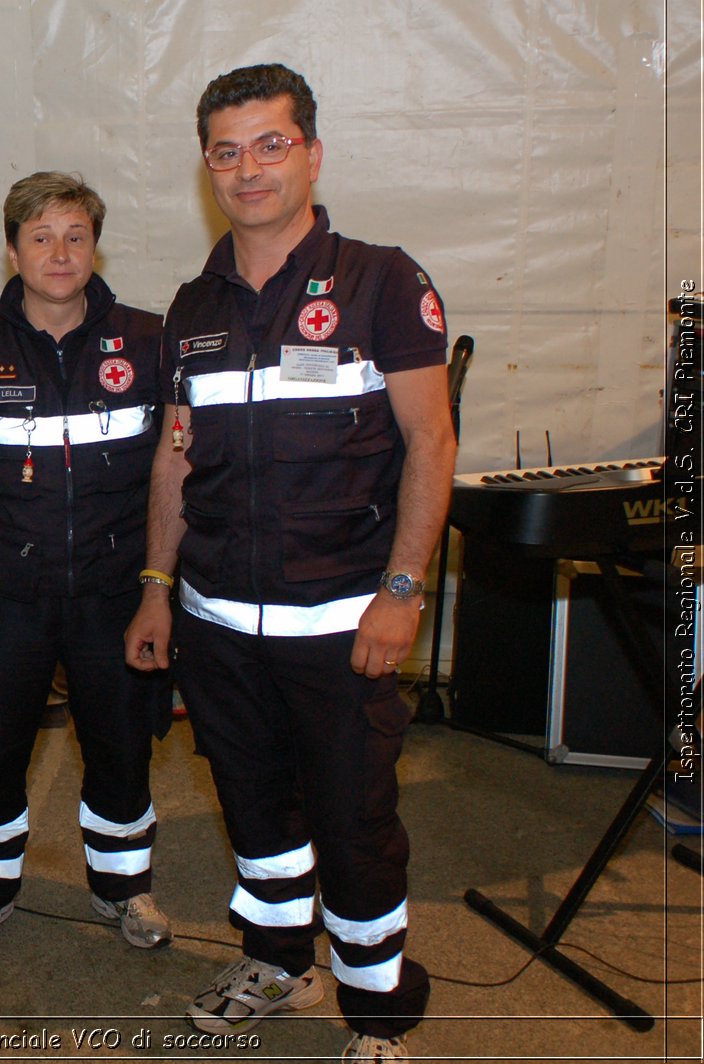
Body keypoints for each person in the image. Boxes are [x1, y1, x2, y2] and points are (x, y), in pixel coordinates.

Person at [124, 64, 457, 1061]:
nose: (247, 168)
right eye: (225, 150)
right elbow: (176, 457)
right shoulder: (191, 308)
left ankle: (378, 1017)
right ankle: (276, 957)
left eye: (270, 143)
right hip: (219, 627)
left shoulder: (383, 281)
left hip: (343, 623)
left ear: (311, 151)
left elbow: (431, 444)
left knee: (355, 823)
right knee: (253, 805)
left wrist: (401, 591)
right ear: (206, 168)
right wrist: (154, 584)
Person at [0, 172, 171, 958]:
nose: (59, 253)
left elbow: (180, 471)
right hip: (5, 596)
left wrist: (162, 586)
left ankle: (123, 889)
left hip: (115, 590)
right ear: (11, 251)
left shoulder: (148, 340)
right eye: (40, 237)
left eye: (75, 235)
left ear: (95, 246)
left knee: (122, 745)